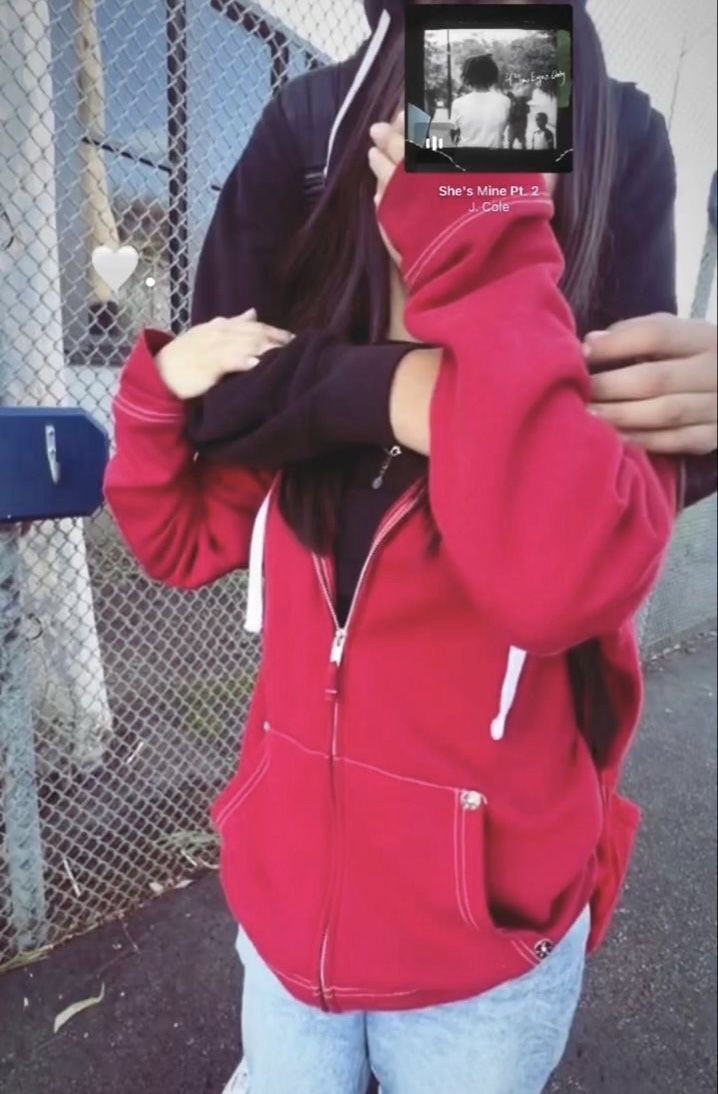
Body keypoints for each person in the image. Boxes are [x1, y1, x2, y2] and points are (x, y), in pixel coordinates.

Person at [104, 0, 718, 1091]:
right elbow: (176, 530)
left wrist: (477, 243)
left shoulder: (561, 476)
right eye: (401, 245)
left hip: (477, 969)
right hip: (294, 940)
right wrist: (157, 394)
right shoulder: (301, 443)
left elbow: (555, 568)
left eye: (459, 251)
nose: (421, 280)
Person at [449, 53, 511, 148]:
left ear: (467, 76)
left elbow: (454, 134)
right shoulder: (505, 102)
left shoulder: (458, 103)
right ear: (493, 75)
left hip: (466, 158)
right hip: (496, 158)